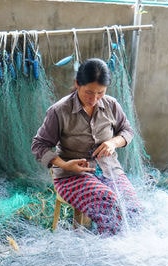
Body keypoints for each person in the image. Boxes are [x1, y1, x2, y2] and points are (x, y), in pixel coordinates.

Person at [31, 58, 141, 236]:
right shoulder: (59, 111)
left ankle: (120, 250)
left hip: (109, 169)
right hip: (72, 175)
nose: (94, 99)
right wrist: (65, 165)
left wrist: (113, 142)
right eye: (89, 92)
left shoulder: (112, 105)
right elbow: (39, 145)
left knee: (133, 207)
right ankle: (108, 253)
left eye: (100, 93)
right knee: (109, 202)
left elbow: (127, 131)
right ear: (77, 84)